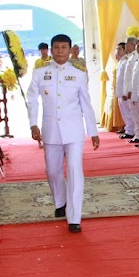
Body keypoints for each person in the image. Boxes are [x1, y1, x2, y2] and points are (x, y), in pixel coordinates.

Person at [26, 34, 100, 233]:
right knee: (53, 171)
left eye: (64, 47)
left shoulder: (79, 74)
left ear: (70, 50)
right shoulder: (40, 73)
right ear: (51, 50)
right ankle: (60, 201)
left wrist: (92, 131)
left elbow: (86, 103)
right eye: (56, 47)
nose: (60, 51)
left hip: (74, 130)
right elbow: (32, 99)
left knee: (75, 171)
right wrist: (33, 124)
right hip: (51, 130)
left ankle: (74, 218)